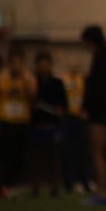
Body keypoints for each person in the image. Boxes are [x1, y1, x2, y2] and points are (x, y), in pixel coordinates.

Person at [80, 25, 106, 206]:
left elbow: (93, 89)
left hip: (100, 113)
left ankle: (102, 191)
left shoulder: (98, 60)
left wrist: (86, 108)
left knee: (97, 152)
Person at [0, 46, 36, 198]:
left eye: (19, 63)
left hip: (22, 121)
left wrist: (24, 78)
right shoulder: (0, 78)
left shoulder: (28, 77)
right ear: (8, 63)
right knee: (5, 155)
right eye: (13, 63)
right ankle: (2, 185)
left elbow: (32, 97)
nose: (16, 66)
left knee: (20, 155)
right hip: (5, 121)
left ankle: (16, 184)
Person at [30, 51, 67, 197]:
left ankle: (55, 187)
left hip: (53, 126)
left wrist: (59, 110)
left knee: (54, 159)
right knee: (37, 158)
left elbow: (64, 105)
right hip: (37, 125)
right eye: (41, 65)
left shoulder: (57, 83)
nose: (44, 68)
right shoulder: (33, 82)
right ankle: (35, 187)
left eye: (46, 65)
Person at [61, 60, 94, 195]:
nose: (74, 67)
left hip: (81, 119)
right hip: (68, 118)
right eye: (72, 64)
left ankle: (85, 180)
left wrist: (86, 111)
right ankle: (69, 181)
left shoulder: (83, 80)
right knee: (69, 150)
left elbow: (88, 98)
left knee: (83, 151)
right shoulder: (63, 80)